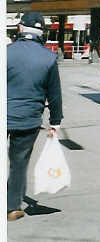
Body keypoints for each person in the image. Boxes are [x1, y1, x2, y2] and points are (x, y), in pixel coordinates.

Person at [7, 12, 63, 221]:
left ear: (20, 29)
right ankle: (12, 207)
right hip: (28, 119)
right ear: (43, 34)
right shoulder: (49, 58)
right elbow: (54, 94)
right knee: (19, 162)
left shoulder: (6, 53)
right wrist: (55, 121)